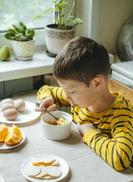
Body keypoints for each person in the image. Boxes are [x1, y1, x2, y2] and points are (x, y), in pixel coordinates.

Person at [36, 37, 133, 171]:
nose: (66, 96)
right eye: (64, 90)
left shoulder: (121, 114)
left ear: (96, 83)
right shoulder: (78, 98)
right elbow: (45, 89)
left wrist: (88, 131)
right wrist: (47, 99)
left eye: (71, 91)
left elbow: (120, 159)